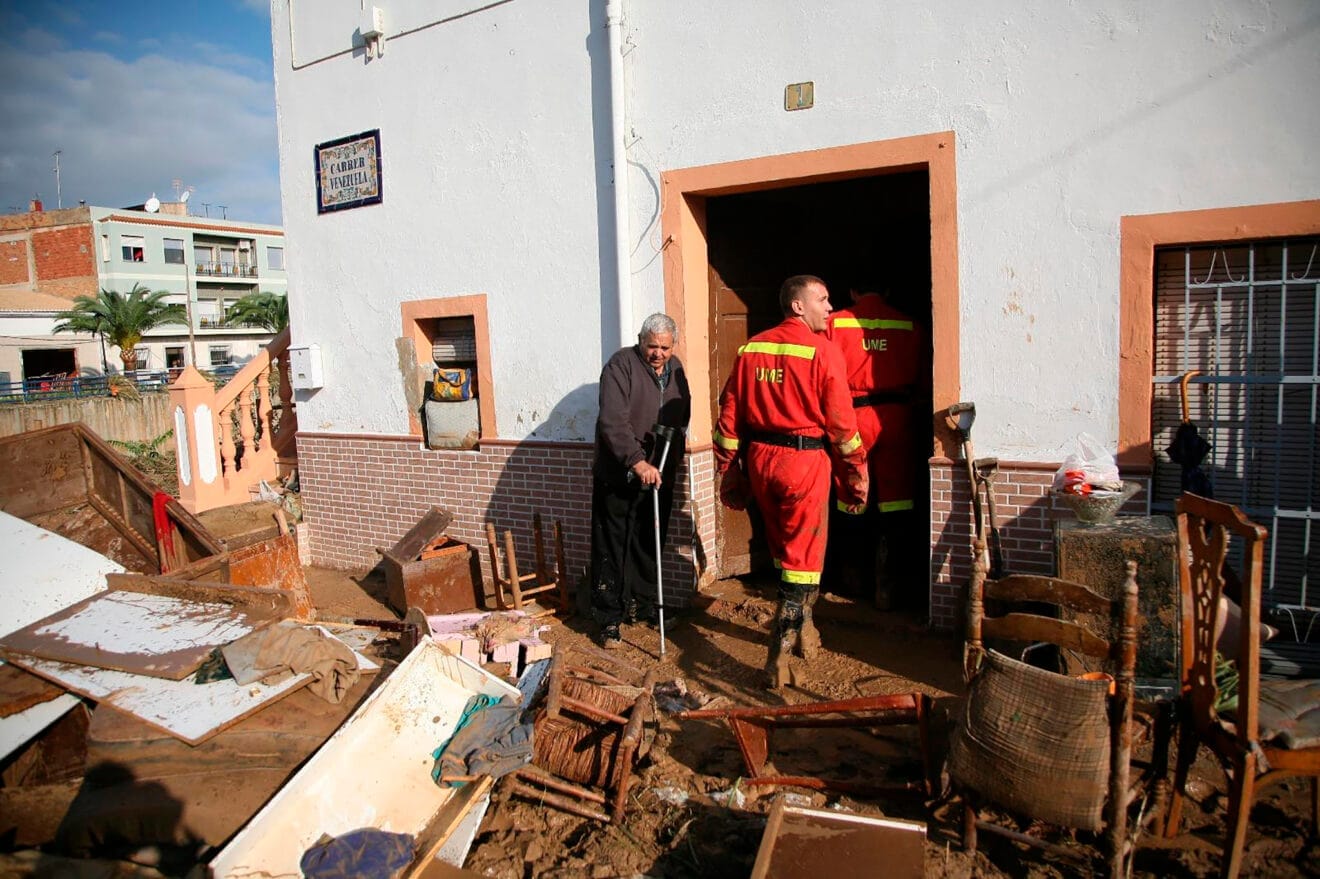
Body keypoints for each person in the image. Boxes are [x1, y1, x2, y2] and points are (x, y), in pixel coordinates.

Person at [713, 275, 868, 688]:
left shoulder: (751, 349)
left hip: (762, 462)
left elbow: (729, 417)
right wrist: (856, 477)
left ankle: (806, 628)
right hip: (803, 463)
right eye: (823, 299)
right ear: (798, 306)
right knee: (802, 560)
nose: (830, 307)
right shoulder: (824, 352)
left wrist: (729, 467)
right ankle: (777, 656)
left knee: (787, 549)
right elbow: (842, 428)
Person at [590, 313, 691, 648]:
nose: (658, 354)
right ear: (641, 340)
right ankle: (608, 619)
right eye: (652, 346)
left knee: (649, 542)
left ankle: (644, 605)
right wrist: (636, 460)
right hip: (620, 472)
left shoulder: (675, 369)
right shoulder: (621, 366)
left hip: (660, 472)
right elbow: (612, 421)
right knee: (612, 546)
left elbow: (682, 414)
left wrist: (669, 456)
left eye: (664, 347)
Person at [826, 284, 924, 610]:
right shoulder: (910, 325)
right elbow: (923, 379)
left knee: (850, 496)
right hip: (896, 417)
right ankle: (888, 587)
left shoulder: (834, 323)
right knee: (896, 501)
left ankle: (853, 581)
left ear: (852, 291)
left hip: (851, 416)